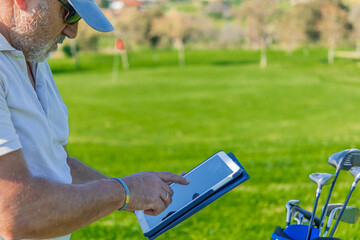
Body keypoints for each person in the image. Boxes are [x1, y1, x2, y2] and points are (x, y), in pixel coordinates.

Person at [0, 0, 189, 239]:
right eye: (68, 14)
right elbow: (16, 214)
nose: (73, 31)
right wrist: (124, 192)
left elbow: (59, 164)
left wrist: (135, 194)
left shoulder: (34, 57)